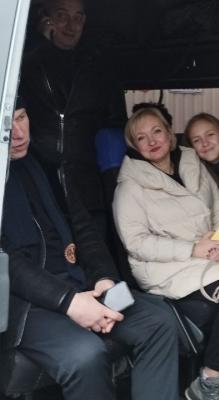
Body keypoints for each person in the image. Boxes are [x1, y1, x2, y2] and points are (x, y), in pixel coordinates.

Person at [1, 100, 180, 400]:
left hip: (82, 285)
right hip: (27, 305)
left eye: (21, 117)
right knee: (86, 355)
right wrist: (69, 303)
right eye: (7, 124)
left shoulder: (48, 164)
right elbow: (9, 263)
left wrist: (104, 278)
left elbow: (84, 230)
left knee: (158, 320)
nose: (17, 133)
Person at [113, 106, 219, 400]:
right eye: (141, 137)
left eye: (157, 131)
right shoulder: (130, 186)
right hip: (168, 268)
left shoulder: (191, 162)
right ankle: (208, 383)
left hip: (210, 256)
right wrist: (194, 249)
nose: (151, 141)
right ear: (135, 146)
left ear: (169, 134)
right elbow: (136, 243)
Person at [20, 0, 127, 236]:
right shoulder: (28, 63)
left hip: (88, 182)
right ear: (45, 19)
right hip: (43, 179)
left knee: (94, 245)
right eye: (62, 16)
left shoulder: (97, 68)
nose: (71, 25)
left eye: (78, 17)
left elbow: (115, 123)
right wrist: (43, 43)